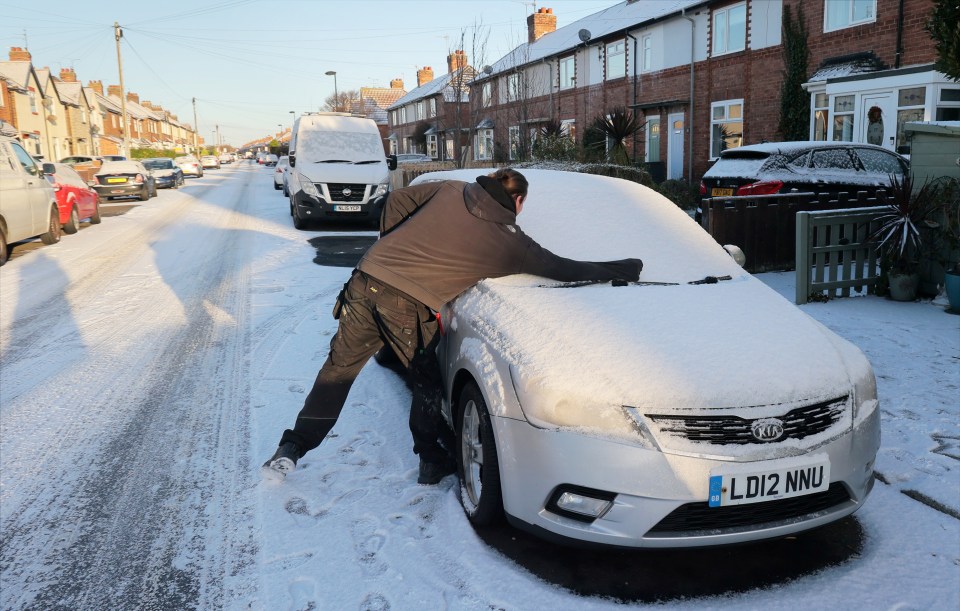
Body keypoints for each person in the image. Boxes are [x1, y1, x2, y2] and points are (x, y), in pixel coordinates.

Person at [262, 168, 643, 484]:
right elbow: (564, 269)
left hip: (364, 279)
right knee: (427, 382)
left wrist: (395, 248)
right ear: (519, 202)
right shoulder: (510, 244)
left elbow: (394, 202)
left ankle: (292, 448)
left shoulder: (452, 189)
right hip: (405, 303)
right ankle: (430, 462)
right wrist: (624, 268)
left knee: (337, 372)